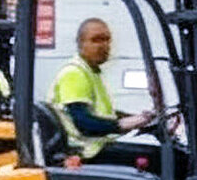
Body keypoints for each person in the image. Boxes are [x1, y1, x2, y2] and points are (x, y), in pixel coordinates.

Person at [49, 17, 161, 170]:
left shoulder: (91, 72)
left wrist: (137, 118)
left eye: (107, 40)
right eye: (96, 40)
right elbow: (84, 123)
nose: (104, 46)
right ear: (81, 43)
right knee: (162, 158)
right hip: (86, 152)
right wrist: (122, 124)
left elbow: (102, 114)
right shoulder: (74, 73)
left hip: (95, 146)